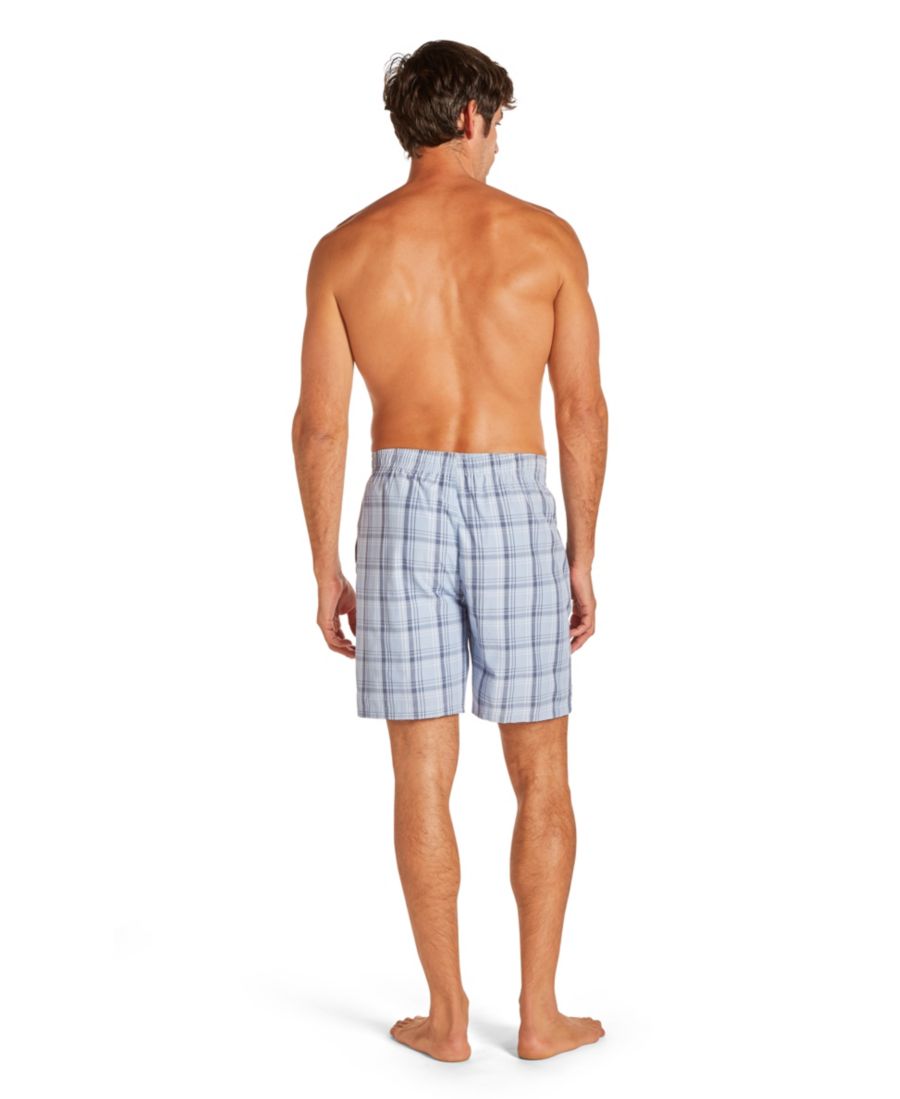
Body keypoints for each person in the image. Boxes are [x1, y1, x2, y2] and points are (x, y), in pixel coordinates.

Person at [291, 39, 608, 1062]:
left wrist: (325, 567)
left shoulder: (345, 249)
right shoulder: (545, 239)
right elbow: (581, 408)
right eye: (498, 121)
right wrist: (581, 555)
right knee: (541, 772)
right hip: (516, 496)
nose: (499, 140)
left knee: (420, 776)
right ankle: (542, 1014)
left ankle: (447, 1016)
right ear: (471, 116)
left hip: (402, 503)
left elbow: (321, 426)